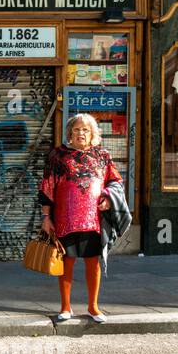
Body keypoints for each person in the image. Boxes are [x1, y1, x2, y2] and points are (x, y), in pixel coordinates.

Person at [38, 113, 124, 323]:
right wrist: (46, 217)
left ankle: (93, 307)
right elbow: (47, 187)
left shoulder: (102, 156)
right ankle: (65, 307)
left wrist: (108, 198)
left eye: (85, 130)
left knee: (92, 262)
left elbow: (116, 181)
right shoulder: (58, 155)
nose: (81, 133)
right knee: (66, 261)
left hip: (93, 220)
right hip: (65, 219)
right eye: (76, 129)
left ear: (93, 133)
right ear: (70, 133)